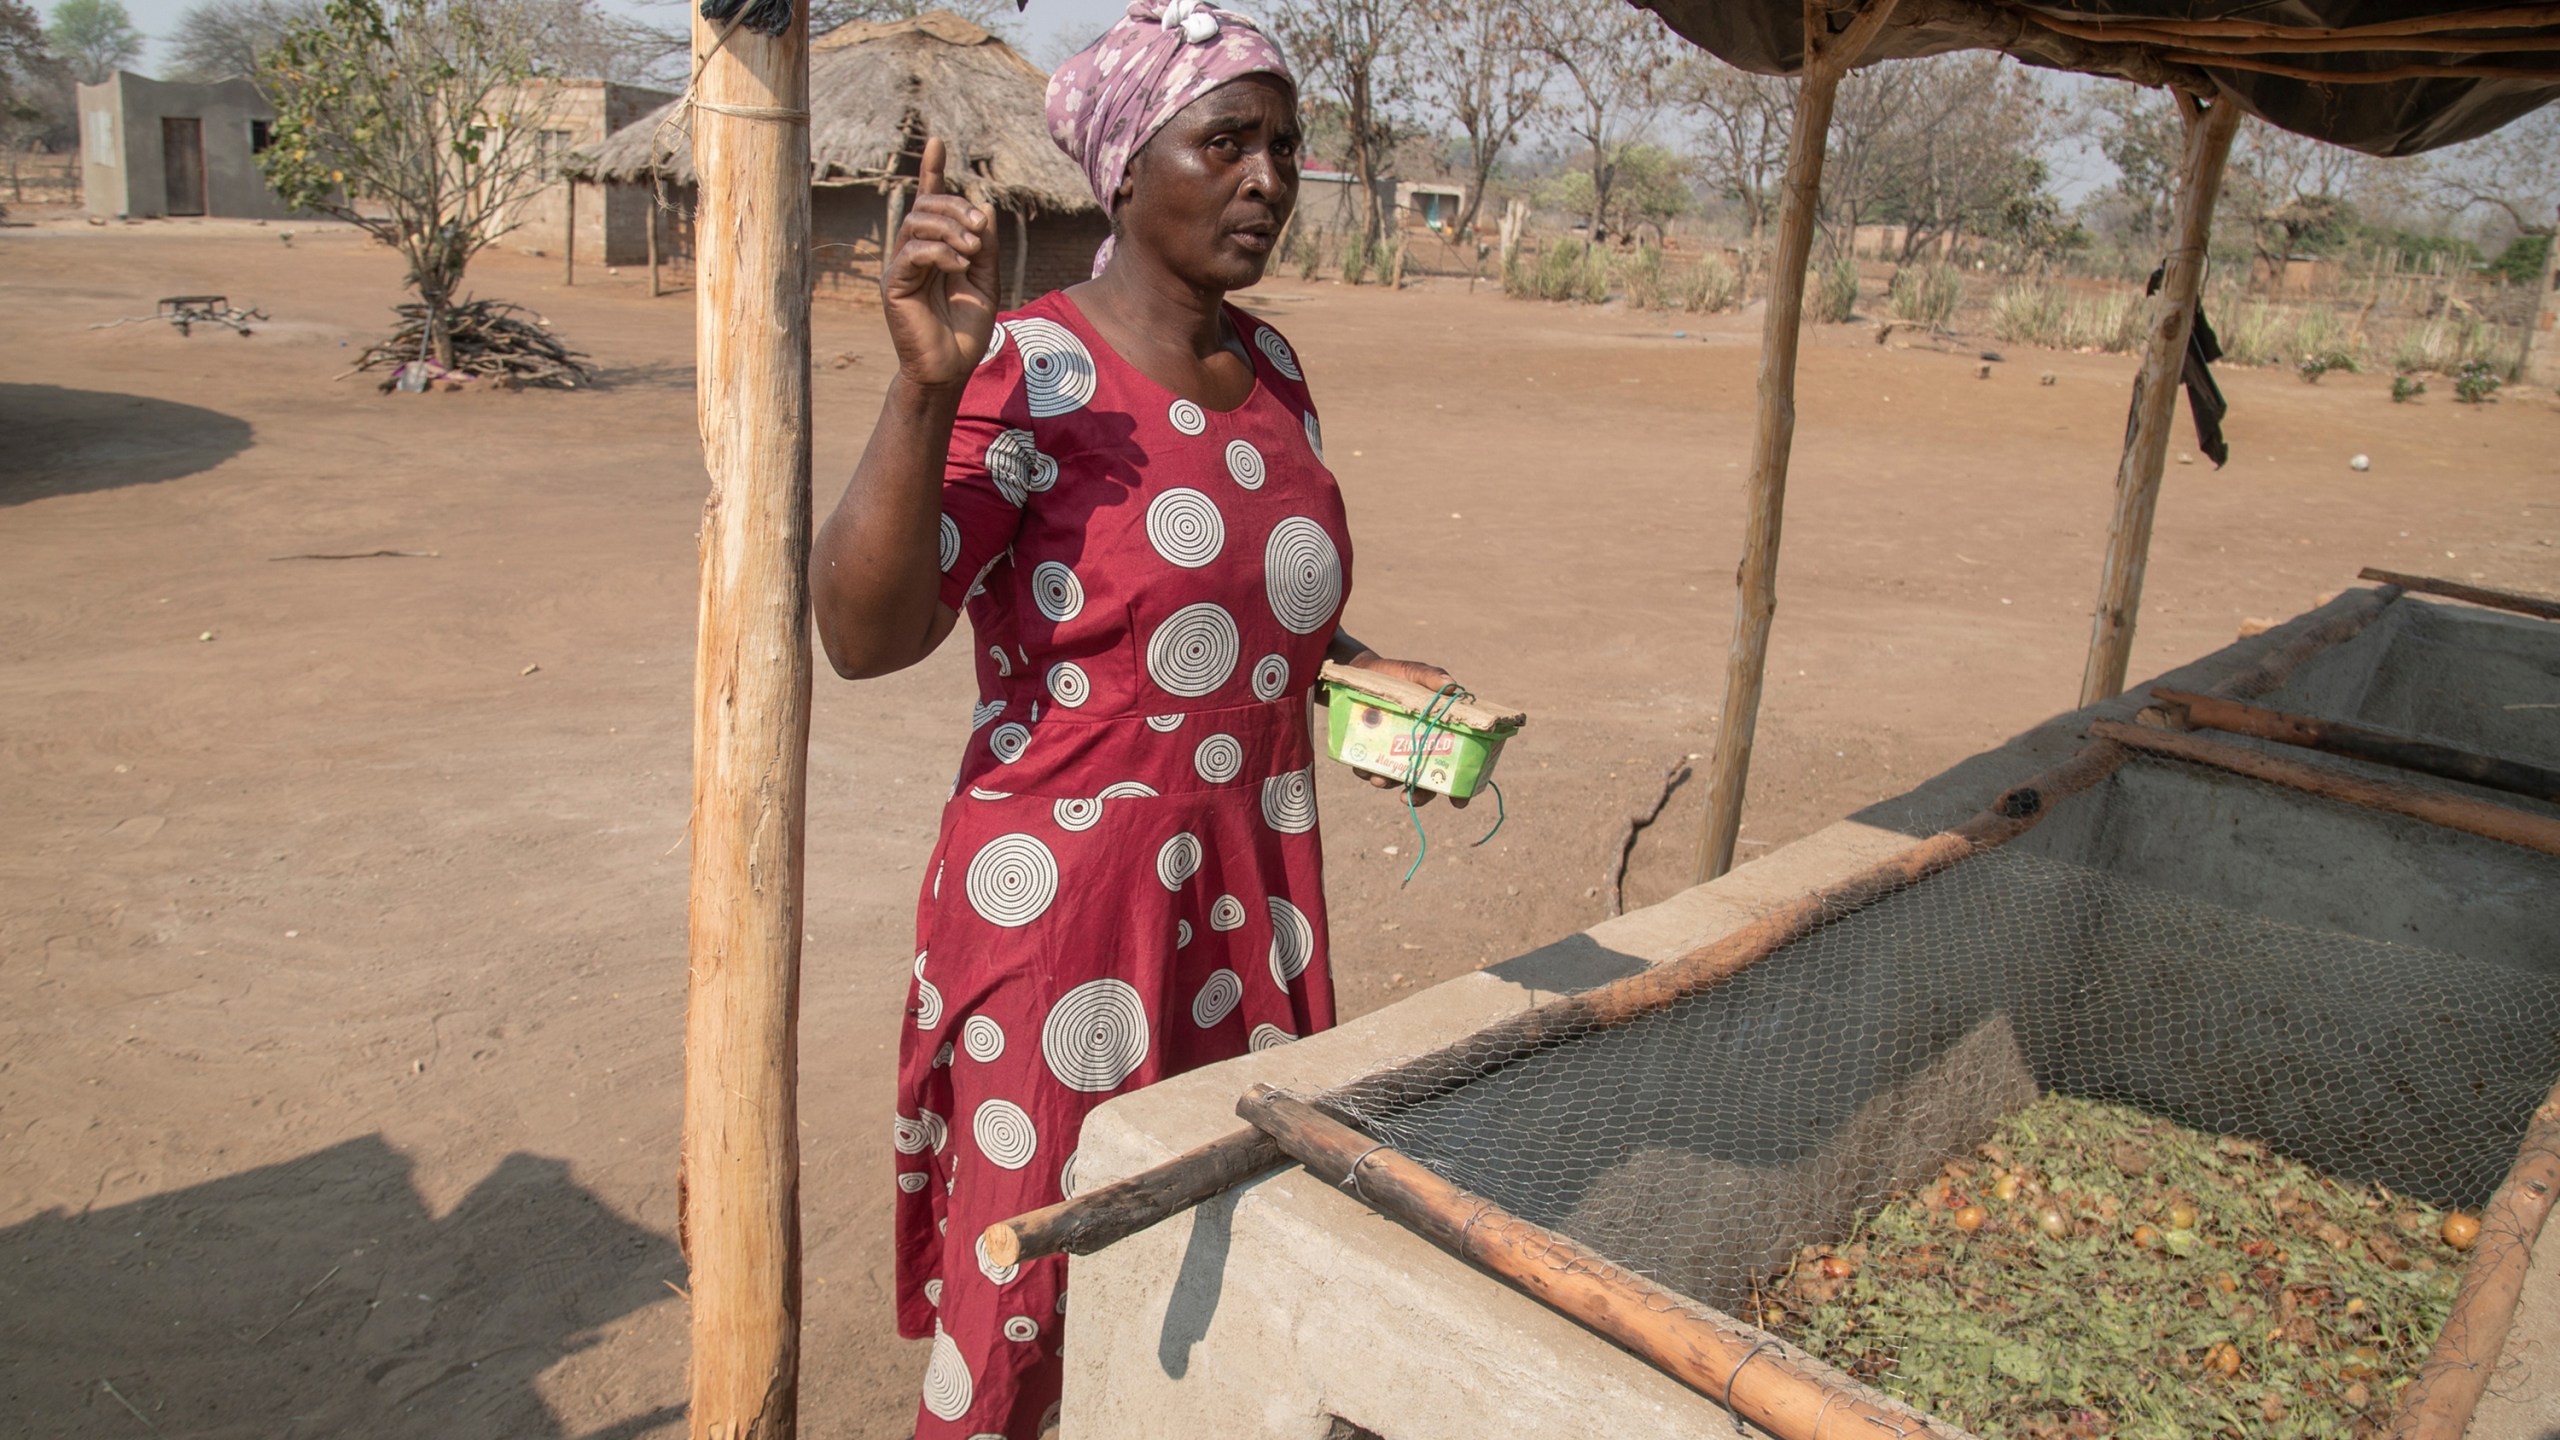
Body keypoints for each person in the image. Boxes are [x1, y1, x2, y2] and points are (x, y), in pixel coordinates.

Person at [809, 3, 1462, 1434]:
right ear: (1124, 164)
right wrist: (925, 385)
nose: (1270, 179)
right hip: (1068, 925)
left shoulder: (1277, 372)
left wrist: (1361, 672)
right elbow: (866, 634)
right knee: (1032, 1289)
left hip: (1250, 903)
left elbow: (1224, 607)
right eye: (1225, 141)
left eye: (1285, 146)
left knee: (1206, 1267)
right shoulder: (1024, 367)